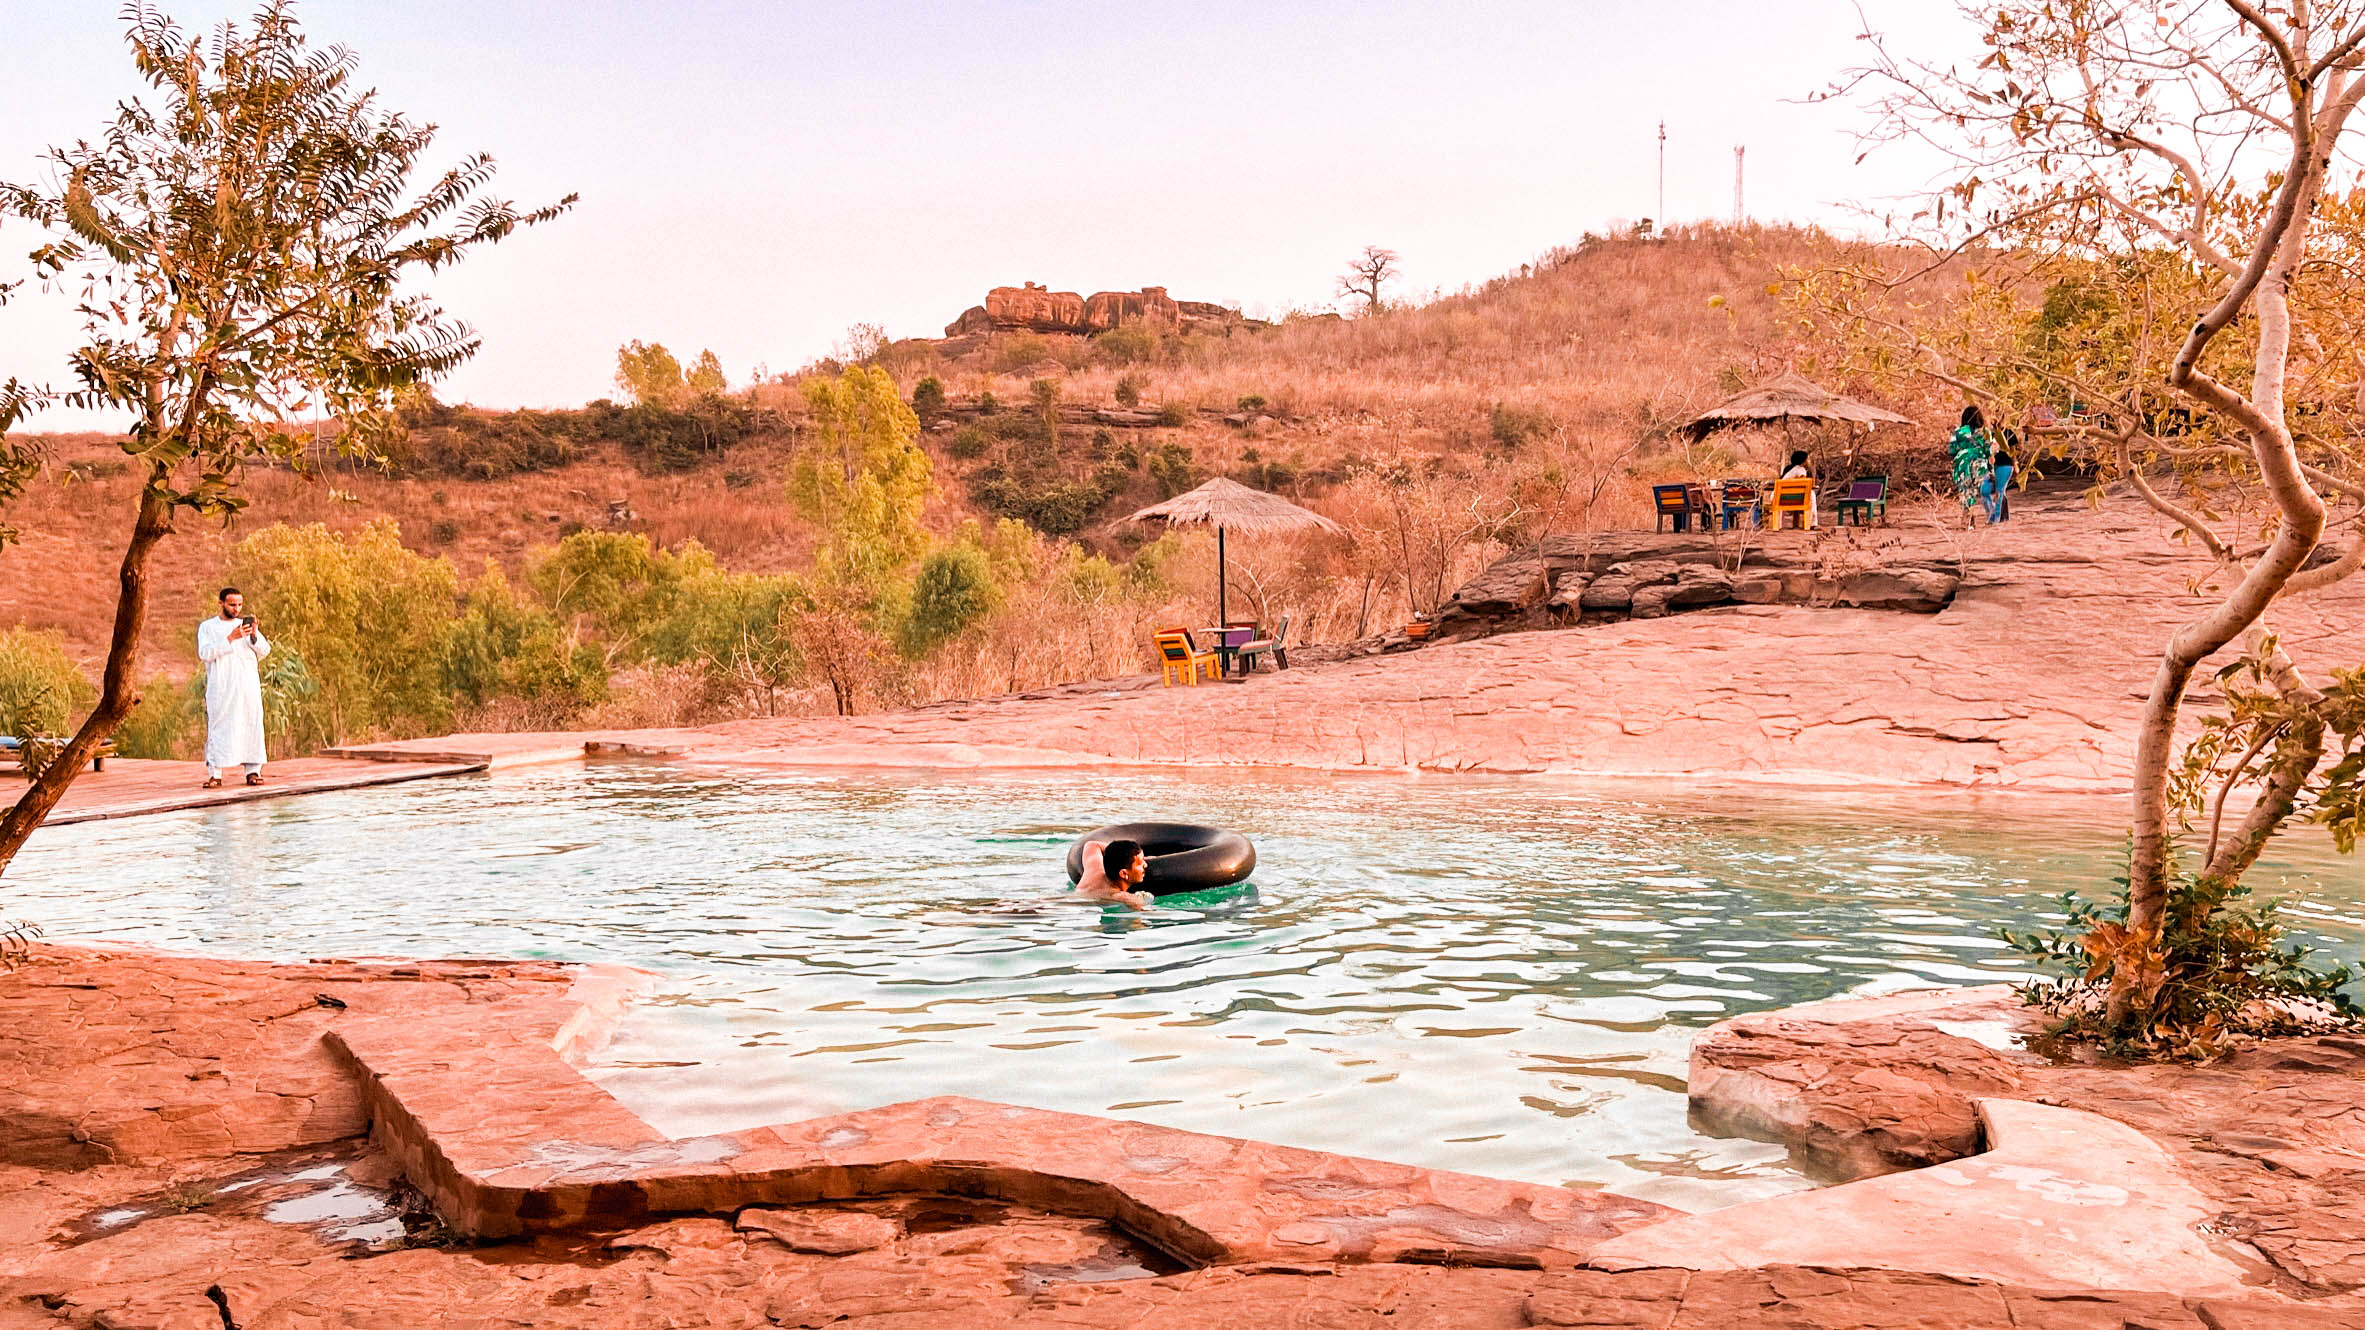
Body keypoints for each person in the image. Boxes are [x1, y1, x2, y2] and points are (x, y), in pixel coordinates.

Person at [198, 587, 271, 788]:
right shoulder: (208, 627)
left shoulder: (245, 627)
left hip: (247, 687)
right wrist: (231, 638)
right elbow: (205, 653)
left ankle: (253, 771)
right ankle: (215, 774)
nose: (236, 608)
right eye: (232, 604)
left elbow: (265, 650)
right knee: (219, 727)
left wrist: (254, 634)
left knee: (251, 724)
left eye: (239, 604)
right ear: (221, 603)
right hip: (222, 688)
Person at [1074, 838, 1153, 909]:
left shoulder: (1094, 870)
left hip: (1072, 898)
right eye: (1140, 863)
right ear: (1124, 874)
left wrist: (1130, 856)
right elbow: (1142, 921)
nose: (1145, 865)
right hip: (1072, 906)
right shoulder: (1124, 897)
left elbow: (1092, 845)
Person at [1987, 429, 2018, 523]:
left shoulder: (2009, 433)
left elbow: (2013, 452)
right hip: (1993, 465)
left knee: (1999, 490)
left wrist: (2015, 464)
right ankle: (2003, 517)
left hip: (2006, 465)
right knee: (2001, 491)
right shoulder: (1990, 433)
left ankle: (1995, 518)